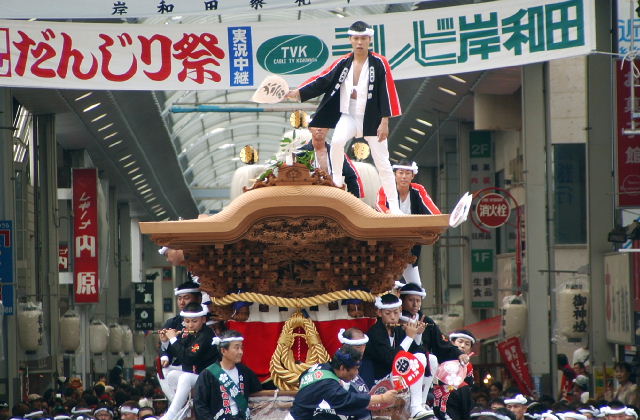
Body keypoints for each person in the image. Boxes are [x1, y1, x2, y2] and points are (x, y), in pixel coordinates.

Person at [285, 20, 403, 214]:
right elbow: (322, 80)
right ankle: (337, 182)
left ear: (369, 40)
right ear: (350, 40)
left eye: (363, 38)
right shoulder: (343, 62)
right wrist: (297, 92)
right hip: (349, 114)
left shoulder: (379, 62)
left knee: (383, 162)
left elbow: (387, 91)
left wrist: (385, 121)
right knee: (337, 141)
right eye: (356, 38)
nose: (359, 42)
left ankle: (394, 206)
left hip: (372, 117)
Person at [363, 293, 441, 420]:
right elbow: (391, 359)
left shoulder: (398, 330)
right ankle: (415, 407)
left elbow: (418, 351)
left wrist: (417, 335)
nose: (393, 317)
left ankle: (421, 404)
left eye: (396, 312)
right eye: (388, 313)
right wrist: (409, 337)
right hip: (381, 381)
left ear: (400, 311)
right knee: (419, 359)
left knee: (431, 359)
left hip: (397, 376)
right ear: (379, 313)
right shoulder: (375, 333)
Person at [288, 345, 400, 420]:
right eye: (355, 369)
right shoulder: (329, 385)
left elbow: (302, 377)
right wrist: (381, 398)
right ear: (342, 368)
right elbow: (348, 400)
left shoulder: (321, 367)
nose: (357, 373)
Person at [377, 160, 440, 285]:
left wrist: (439, 220)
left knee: (416, 286)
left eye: (407, 173)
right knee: (384, 283)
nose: (404, 177)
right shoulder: (386, 189)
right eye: (401, 173)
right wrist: (389, 213)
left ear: (413, 176)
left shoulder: (418, 189)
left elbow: (431, 208)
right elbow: (380, 205)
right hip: (389, 242)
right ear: (395, 174)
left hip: (410, 244)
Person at [159, 303, 220, 420]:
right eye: (187, 321)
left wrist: (173, 339)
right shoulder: (189, 333)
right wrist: (166, 341)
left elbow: (188, 357)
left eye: (194, 321)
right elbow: (178, 351)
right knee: (171, 375)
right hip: (196, 376)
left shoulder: (206, 335)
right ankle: (182, 409)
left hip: (209, 378)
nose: (190, 325)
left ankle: (171, 415)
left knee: (185, 378)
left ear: (203, 319)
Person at [193, 330, 262, 420]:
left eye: (241, 348)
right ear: (223, 351)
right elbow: (200, 405)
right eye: (236, 348)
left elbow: (257, 389)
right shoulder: (208, 374)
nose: (240, 352)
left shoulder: (244, 371)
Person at [158, 280, 203, 399]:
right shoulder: (172, 323)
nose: (182, 302)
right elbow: (164, 348)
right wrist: (165, 345)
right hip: (180, 365)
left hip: (199, 366)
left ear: (198, 299)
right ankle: (178, 404)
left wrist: (173, 339)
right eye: (179, 298)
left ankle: (179, 405)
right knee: (164, 372)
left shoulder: (206, 324)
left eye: (186, 298)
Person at [298, 127, 364, 198]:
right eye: (315, 125)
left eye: (322, 125)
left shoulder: (336, 153)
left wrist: (352, 201)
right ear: (309, 128)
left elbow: (351, 177)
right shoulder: (300, 153)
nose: (319, 128)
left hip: (332, 198)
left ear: (328, 128)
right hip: (309, 199)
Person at [433, 330, 475, 420]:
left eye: (467, 344)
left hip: (458, 400)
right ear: (452, 343)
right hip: (438, 396)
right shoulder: (440, 358)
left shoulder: (468, 366)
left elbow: (469, 386)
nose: (463, 346)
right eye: (460, 342)